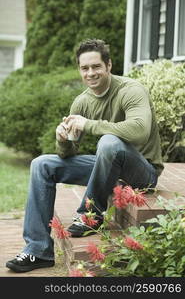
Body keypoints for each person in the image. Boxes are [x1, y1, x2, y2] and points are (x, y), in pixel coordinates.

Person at [6, 39, 164, 273]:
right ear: (79, 70)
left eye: (96, 66)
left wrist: (89, 124)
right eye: (84, 68)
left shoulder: (131, 90)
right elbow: (68, 154)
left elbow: (139, 131)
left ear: (109, 66)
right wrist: (62, 139)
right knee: (42, 164)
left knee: (109, 142)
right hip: (108, 168)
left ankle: (90, 215)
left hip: (143, 173)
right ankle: (37, 250)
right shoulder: (82, 101)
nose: (91, 73)